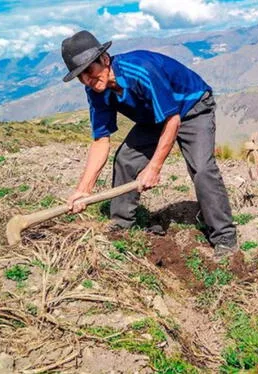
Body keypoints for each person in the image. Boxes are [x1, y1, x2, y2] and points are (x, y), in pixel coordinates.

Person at [60, 30, 238, 258]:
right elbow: (101, 140)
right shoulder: (96, 91)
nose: (87, 80)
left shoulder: (140, 70)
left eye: (89, 71)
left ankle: (224, 236)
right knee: (125, 160)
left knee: (202, 169)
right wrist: (83, 190)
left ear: (104, 59)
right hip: (155, 117)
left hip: (192, 107)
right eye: (80, 76)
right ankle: (121, 225)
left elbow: (173, 121)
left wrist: (153, 168)